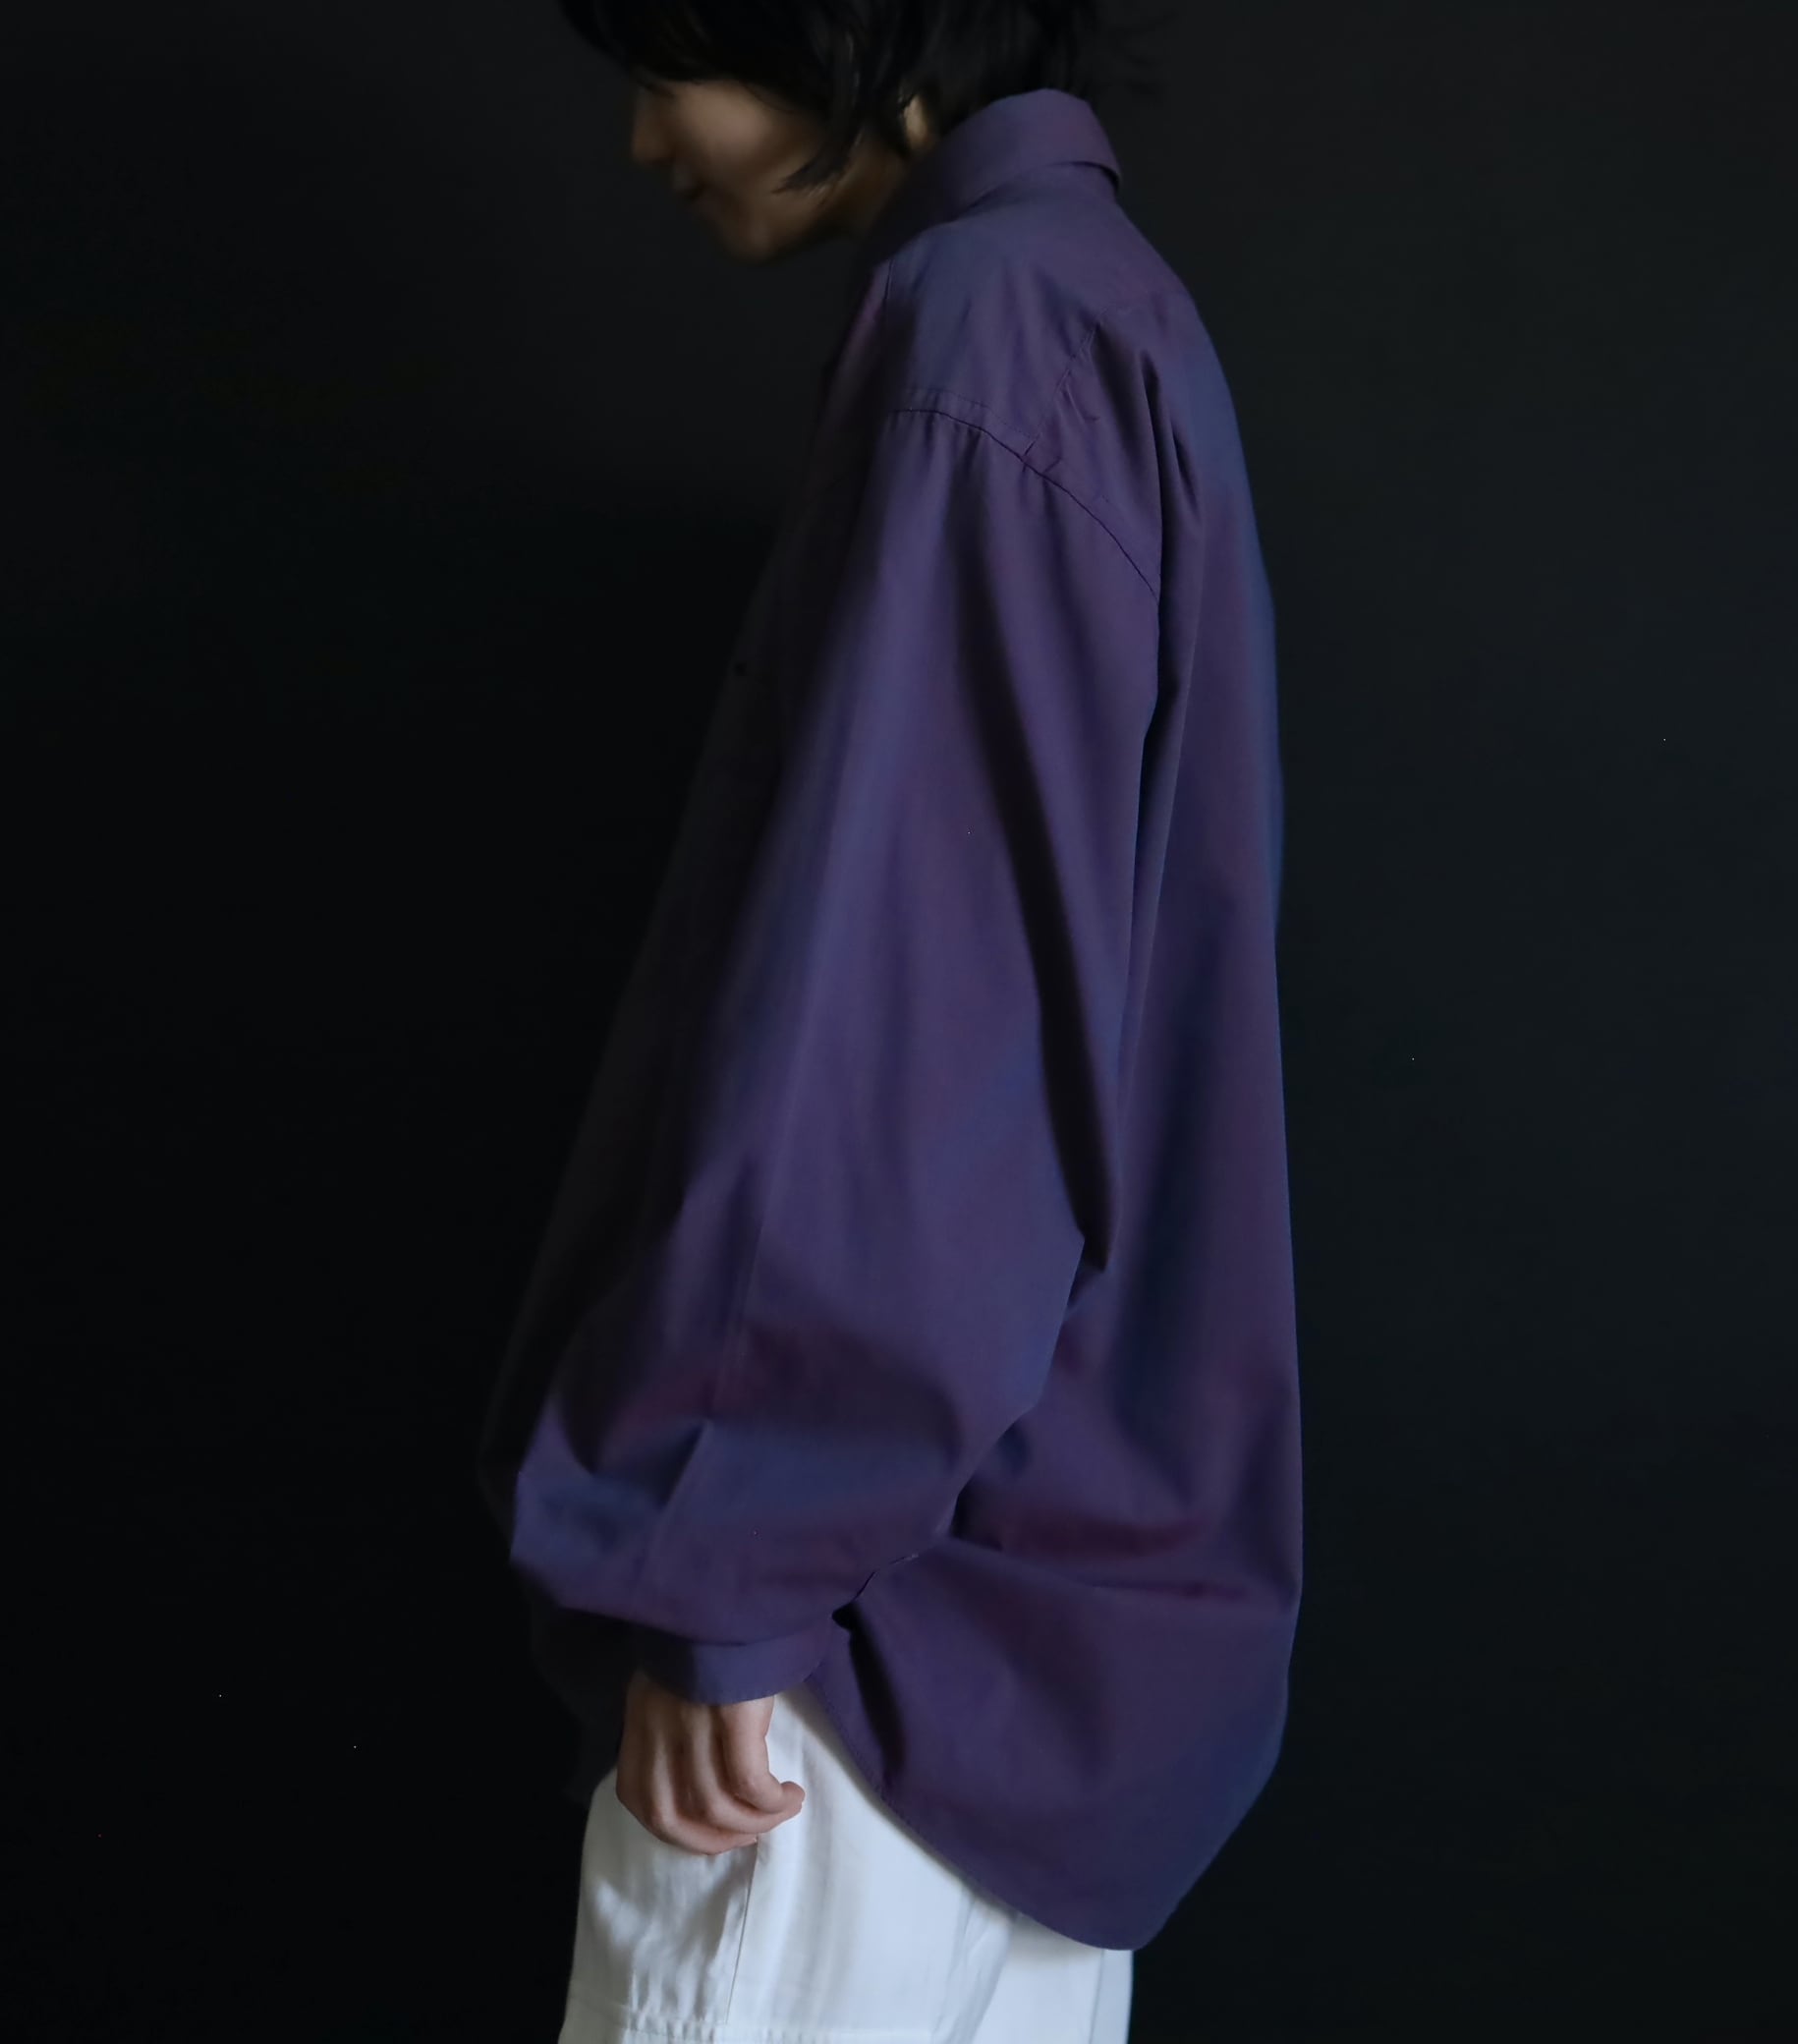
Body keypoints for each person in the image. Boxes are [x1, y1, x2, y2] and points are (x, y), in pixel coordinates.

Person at [475, 6, 1301, 2040]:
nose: (645, 142)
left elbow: (916, 1034)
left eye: (660, 65)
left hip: (858, 1657)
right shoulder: (1095, 306)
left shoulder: (986, 335)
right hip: (1027, 1637)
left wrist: (730, 1557)